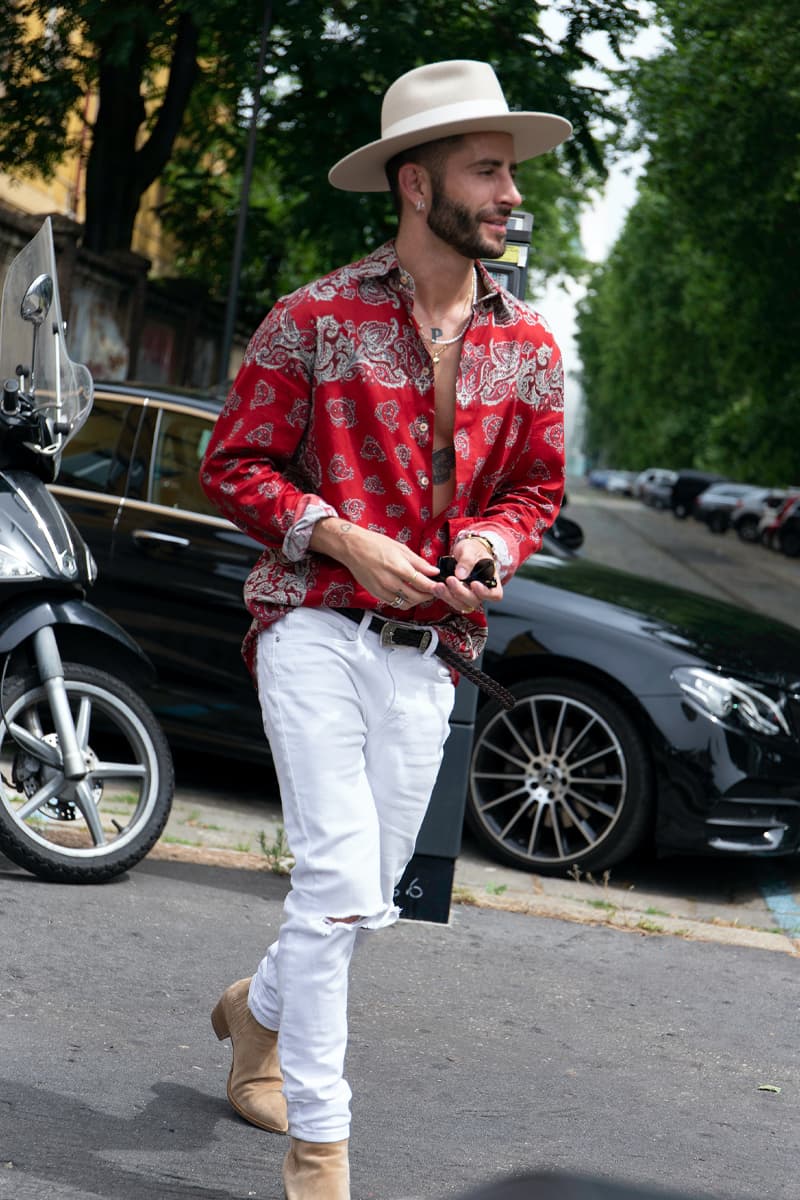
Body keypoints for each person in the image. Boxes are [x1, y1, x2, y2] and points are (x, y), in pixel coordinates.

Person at [200, 57, 570, 1200]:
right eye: (487, 172)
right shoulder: (311, 318)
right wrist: (335, 535)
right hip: (311, 623)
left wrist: (488, 548)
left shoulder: (533, 349)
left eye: (512, 174)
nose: (512, 195)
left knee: (370, 907)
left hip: (432, 653)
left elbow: (533, 497)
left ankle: (251, 1012)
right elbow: (234, 464)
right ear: (417, 185)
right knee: (334, 890)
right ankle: (323, 1152)